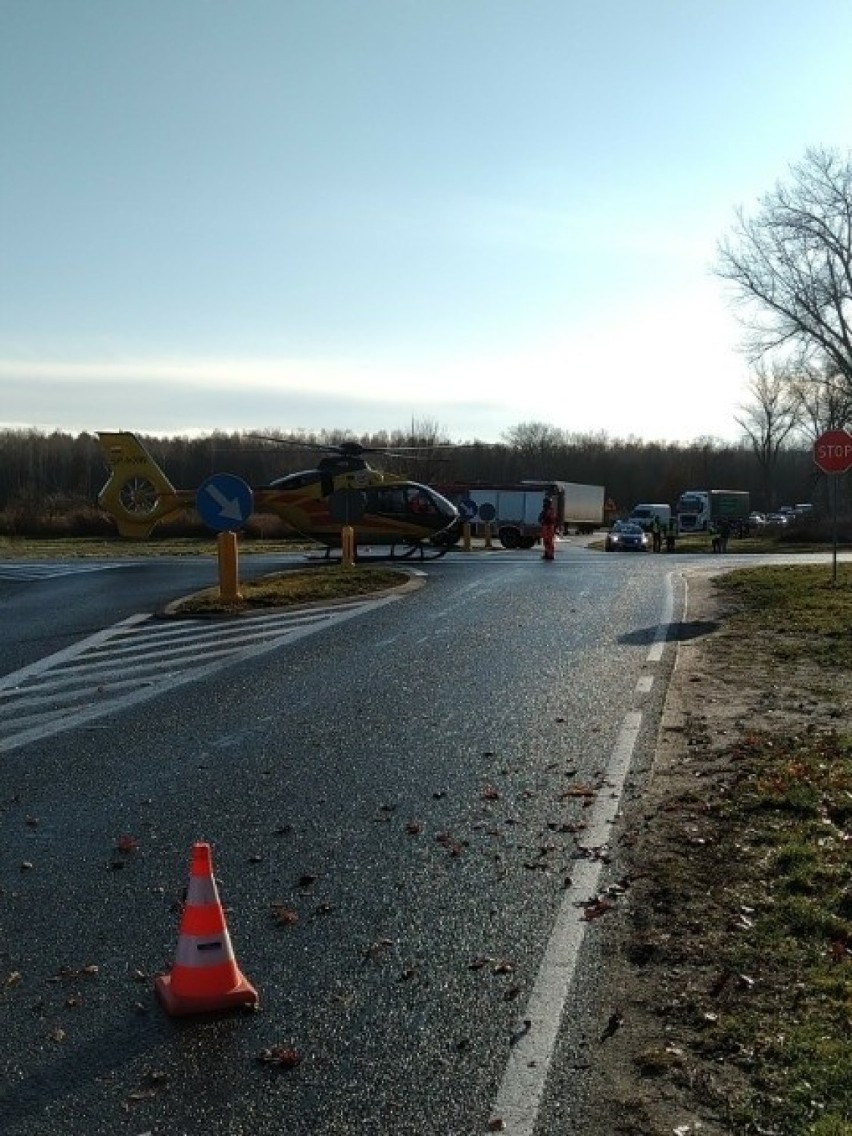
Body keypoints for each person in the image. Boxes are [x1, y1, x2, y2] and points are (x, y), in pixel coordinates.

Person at [539, 495, 557, 560]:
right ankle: (547, 554)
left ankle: (550, 555)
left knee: (548, 541)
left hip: (547, 527)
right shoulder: (550, 510)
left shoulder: (548, 511)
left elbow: (543, 518)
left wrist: (542, 519)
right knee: (547, 541)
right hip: (549, 527)